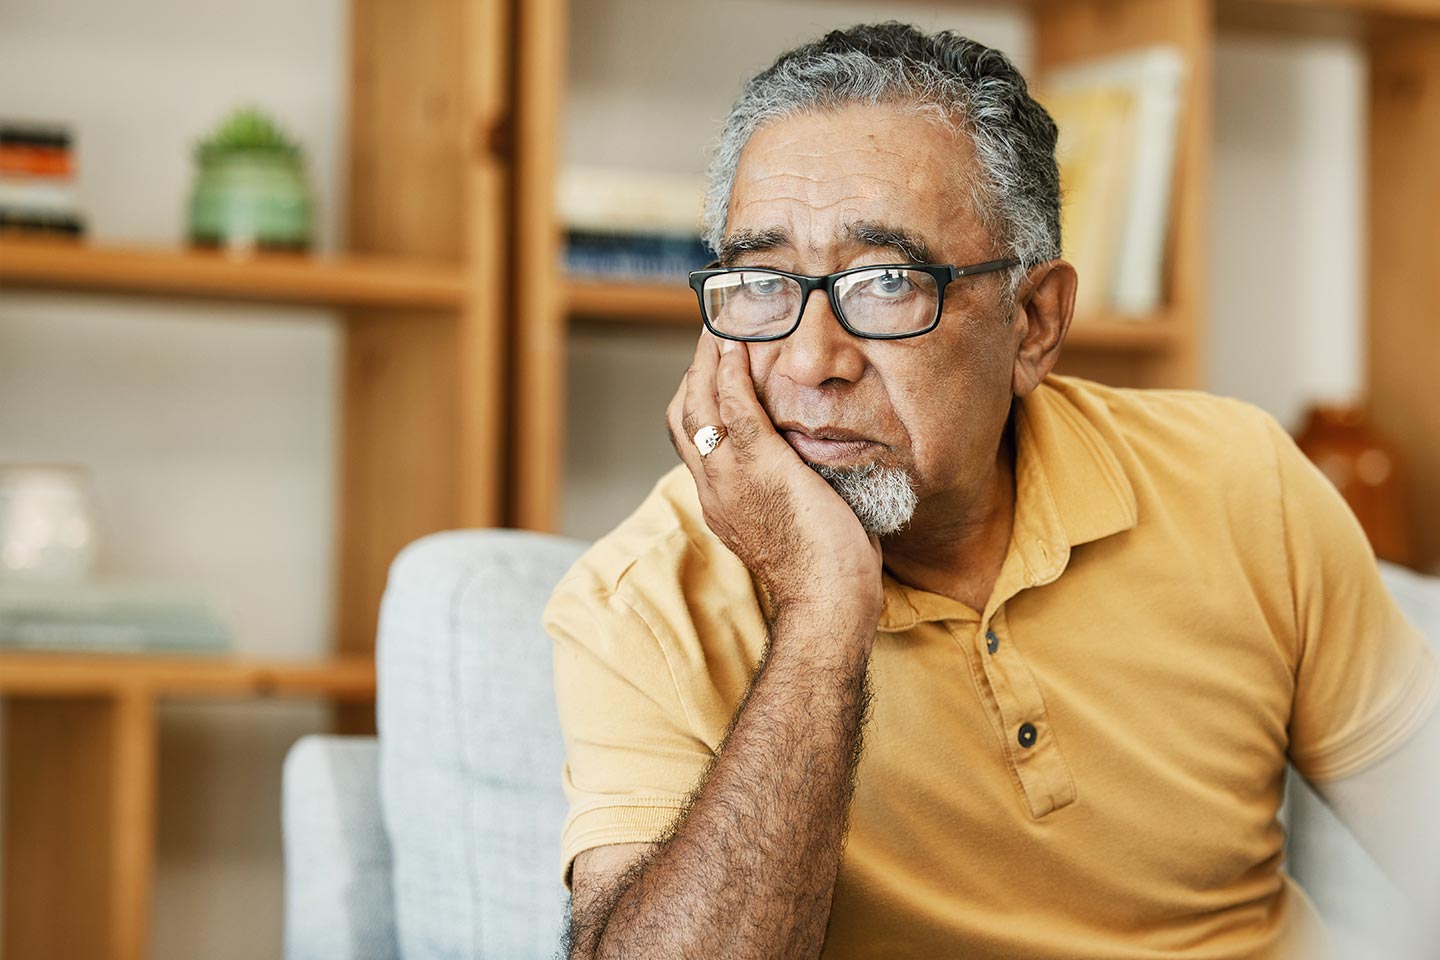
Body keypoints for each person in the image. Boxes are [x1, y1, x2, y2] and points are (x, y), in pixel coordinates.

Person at [545, 22, 1439, 960]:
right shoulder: (640, 603)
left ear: (1033, 323)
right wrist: (821, 609)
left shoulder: (1240, 481)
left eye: (887, 281)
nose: (810, 360)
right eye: (762, 281)